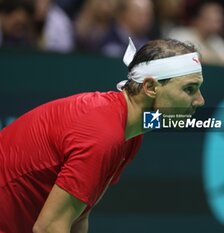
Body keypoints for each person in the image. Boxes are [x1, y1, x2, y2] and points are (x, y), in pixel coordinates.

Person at [0, 38, 205, 232]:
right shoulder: (103, 136)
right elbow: (49, 228)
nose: (200, 100)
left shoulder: (130, 134)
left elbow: (78, 219)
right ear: (150, 87)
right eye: (189, 89)